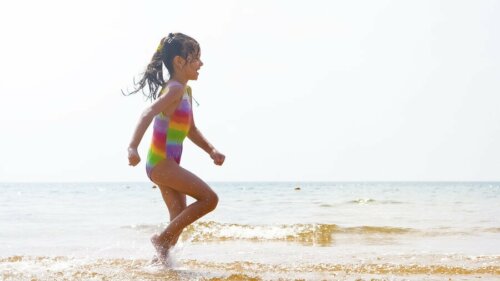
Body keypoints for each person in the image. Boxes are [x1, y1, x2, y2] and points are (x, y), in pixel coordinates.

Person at [124, 32, 225, 264]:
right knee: (209, 199)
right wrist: (132, 147)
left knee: (178, 217)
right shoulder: (175, 89)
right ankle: (161, 241)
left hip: (163, 164)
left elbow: (190, 129)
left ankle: (158, 264)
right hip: (161, 163)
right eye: (196, 58)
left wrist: (211, 151)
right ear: (180, 61)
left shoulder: (185, 91)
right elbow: (147, 112)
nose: (201, 63)